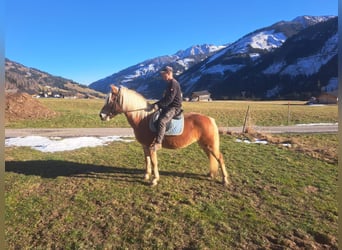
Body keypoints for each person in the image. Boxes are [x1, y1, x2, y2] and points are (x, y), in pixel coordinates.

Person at [151, 66, 182, 151]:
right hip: (168, 106)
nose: (162, 77)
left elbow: (169, 99)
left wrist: (158, 106)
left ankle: (158, 143)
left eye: (163, 75)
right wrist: (155, 104)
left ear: (169, 73)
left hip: (174, 108)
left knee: (162, 121)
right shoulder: (169, 84)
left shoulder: (173, 83)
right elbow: (164, 99)